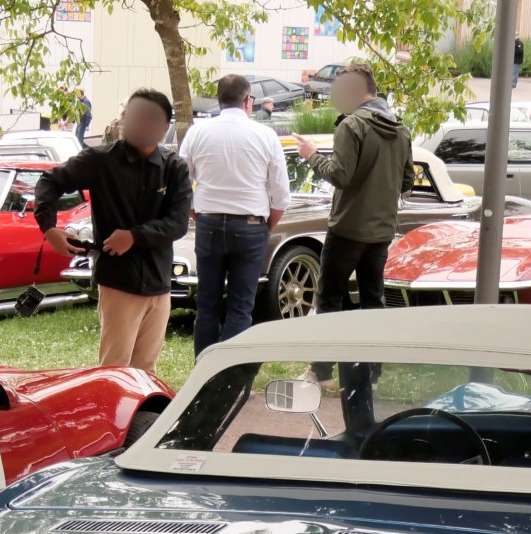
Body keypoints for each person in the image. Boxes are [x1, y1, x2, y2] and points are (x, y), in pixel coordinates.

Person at [35, 88, 191, 374]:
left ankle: (141, 407)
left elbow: (178, 223)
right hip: (119, 282)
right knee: (114, 370)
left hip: (159, 282)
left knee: (146, 372)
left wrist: (133, 236)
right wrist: (49, 228)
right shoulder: (101, 160)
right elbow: (50, 181)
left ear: (163, 127)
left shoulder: (174, 167)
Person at [294, 63, 412, 328]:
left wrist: (312, 155)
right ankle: (370, 355)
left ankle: (325, 356)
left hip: (348, 229)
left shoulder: (352, 125)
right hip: (382, 231)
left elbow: (339, 176)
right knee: (373, 300)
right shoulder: (401, 130)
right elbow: (406, 182)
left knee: (329, 300)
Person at [179, 74, 289, 357]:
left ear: (219, 99)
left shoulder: (197, 132)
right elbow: (281, 194)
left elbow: (181, 184)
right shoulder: (265, 135)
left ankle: (204, 370)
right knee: (241, 307)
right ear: (248, 100)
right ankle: (229, 372)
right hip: (251, 225)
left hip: (209, 222)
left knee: (207, 305)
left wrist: (197, 214)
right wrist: (266, 226)